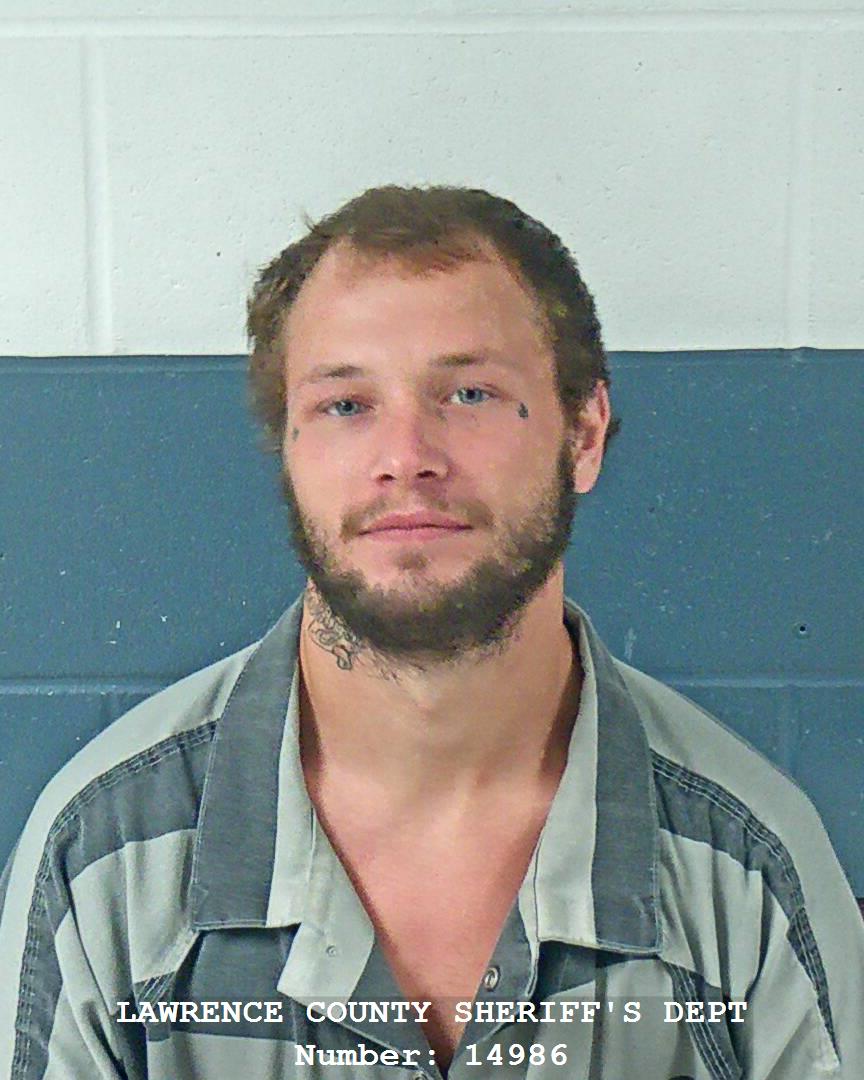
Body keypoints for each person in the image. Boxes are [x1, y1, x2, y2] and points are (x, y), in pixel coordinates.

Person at [0, 184, 861, 1080]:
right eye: (346, 404)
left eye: (470, 393)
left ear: (584, 434)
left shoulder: (750, 868)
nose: (407, 456)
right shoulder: (103, 859)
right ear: (289, 447)